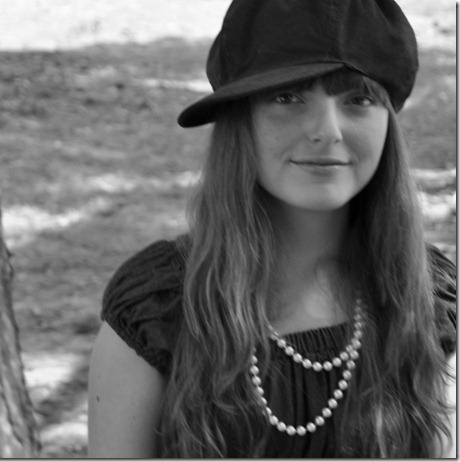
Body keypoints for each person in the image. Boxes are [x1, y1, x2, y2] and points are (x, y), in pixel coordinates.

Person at [87, 0, 457, 457]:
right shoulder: (157, 308)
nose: (327, 130)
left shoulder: (430, 297)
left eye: (358, 99)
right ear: (240, 121)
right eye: (288, 98)